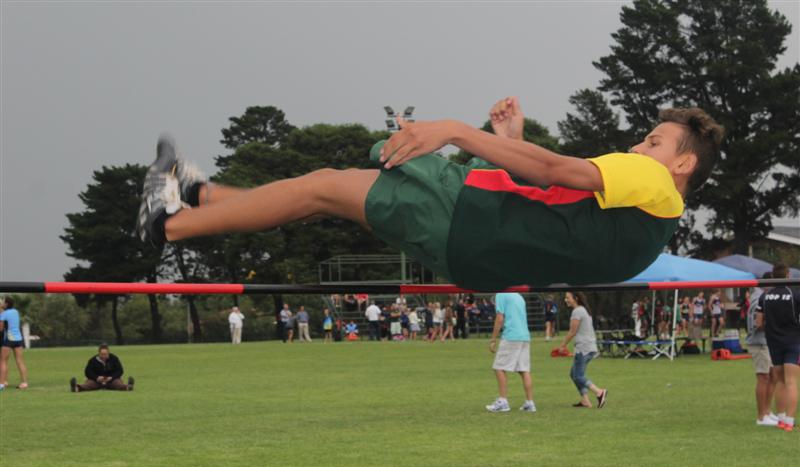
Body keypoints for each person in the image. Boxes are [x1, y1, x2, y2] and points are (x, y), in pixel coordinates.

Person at [136, 98, 723, 292]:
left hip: (467, 219)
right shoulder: (651, 228)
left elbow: (554, 171)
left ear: (684, 164)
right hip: (477, 250)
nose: (637, 146)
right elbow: (549, 212)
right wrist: (509, 143)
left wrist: (455, 131)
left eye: (653, 142)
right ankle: (201, 193)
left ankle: (168, 224)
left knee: (321, 187)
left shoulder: (652, 181)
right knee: (326, 190)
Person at [757, 264, 800, 432]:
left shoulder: (765, 296)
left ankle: (781, 419)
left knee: (780, 380)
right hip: (793, 341)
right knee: (791, 382)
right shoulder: (795, 294)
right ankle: (789, 421)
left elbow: (759, 323)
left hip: (774, 342)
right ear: (787, 275)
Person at [485, 292, 536, 413]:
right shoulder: (518, 295)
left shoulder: (501, 294)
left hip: (511, 336)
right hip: (524, 336)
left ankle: (503, 401)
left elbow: (500, 318)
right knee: (524, 370)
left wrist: (493, 339)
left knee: (499, 367)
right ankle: (530, 403)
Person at [560, 292, 607, 408]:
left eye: (568, 297)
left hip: (584, 348)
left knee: (578, 376)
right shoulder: (583, 310)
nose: (566, 300)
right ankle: (585, 400)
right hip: (589, 347)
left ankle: (599, 392)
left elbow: (572, 331)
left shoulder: (577, 311)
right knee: (574, 374)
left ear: (575, 298)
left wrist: (563, 345)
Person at [747, 277, 778, 426]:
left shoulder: (763, 297)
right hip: (759, 342)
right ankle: (761, 416)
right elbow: (757, 324)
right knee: (763, 377)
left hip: (766, 342)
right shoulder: (758, 299)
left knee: (772, 376)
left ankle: (767, 411)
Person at [70, 344, 134, 392]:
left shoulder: (114, 359)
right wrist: (96, 378)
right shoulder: (93, 360)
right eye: (102, 354)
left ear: (108, 353)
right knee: (89, 385)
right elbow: (87, 372)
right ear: (99, 353)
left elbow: (120, 370)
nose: (104, 356)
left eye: (105, 354)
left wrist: (111, 377)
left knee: (118, 384)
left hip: (111, 380)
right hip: (96, 381)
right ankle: (76, 388)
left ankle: (128, 387)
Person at [0, 297, 29, 391]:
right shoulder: (16, 312)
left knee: (3, 361)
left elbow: (1, 329)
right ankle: (24, 383)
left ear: (6, 304)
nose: (2, 303)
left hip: (9, 339)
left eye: (3, 302)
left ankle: (2, 384)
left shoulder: (3, 314)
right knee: (20, 361)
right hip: (18, 339)